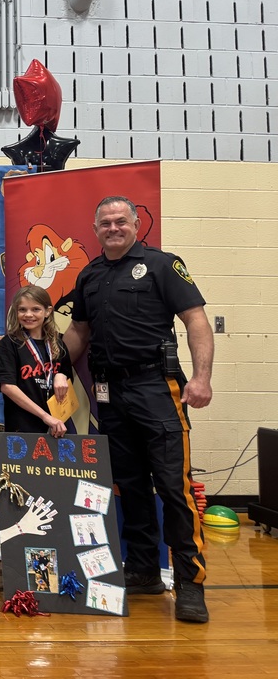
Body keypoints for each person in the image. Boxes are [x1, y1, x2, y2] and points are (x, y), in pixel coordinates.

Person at [63, 195, 214, 623]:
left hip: (156, 388)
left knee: (173, 487)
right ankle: (145, 570)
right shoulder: (89, 274)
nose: (113, 228)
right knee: (128, 485)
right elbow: (79, 330)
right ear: (95, 229)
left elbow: (196, 320)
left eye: (120, 221)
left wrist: (201, 379)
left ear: (134, 224)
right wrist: (51, 371)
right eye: (105, 223)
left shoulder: (164, 265)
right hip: (110, 393)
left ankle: (189, 581)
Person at [0, 284, 73, 438]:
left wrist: (61, 375)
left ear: (48, 311)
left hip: (57, 426)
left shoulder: (58, 343)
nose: (28, 314)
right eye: (22, 309)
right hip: (22, 427)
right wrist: (45, 417)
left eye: (35, 309)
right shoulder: (9, 343)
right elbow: (7, 387)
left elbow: (66, 376)